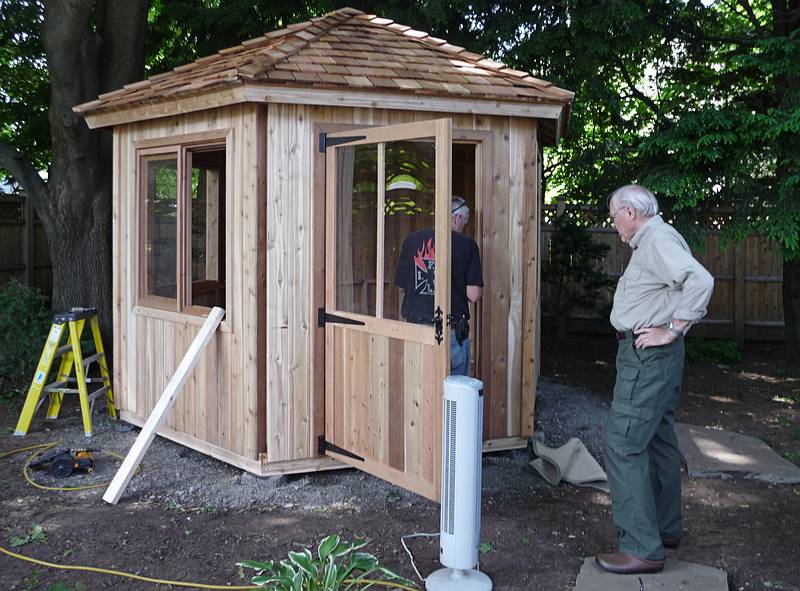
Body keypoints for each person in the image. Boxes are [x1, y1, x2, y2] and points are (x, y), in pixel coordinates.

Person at [596, 185, 714, 575]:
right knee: (659, 437)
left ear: (630, 211)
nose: (614, 225)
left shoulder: (657, 240)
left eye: (614, 216)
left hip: (648, 357)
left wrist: (673, 329)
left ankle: (642, 548)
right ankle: (665, 529)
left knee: (623, 444)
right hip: (655, 359)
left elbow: (701, 281)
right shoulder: (657, 239)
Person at [393, 196, 483, 375]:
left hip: (415, 330)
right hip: (451, 332)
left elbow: (402, 285)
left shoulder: (411, 241)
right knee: (456, 395)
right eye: (463, 223)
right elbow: (473, 295)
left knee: (418, 389)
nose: (462, 228)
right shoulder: (468, 246)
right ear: (457, 219)